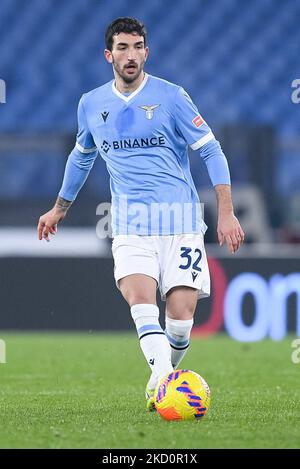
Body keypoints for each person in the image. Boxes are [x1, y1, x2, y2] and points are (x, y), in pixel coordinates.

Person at [37, 17, 244, 411]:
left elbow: (211, 150)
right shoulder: (91, 104)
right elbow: (81, 158)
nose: (130, 55)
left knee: (181, 320)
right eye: (122, 48)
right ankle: (168, 388)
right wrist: (59, 208)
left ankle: (159, 381)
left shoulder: (172, 97)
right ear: (108, 55)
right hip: (131, 224)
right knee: (140, 301)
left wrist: (227, 212)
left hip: (180, 222)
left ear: (147, 52)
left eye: (137, 47)